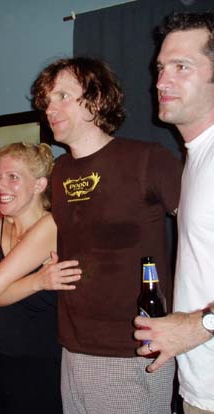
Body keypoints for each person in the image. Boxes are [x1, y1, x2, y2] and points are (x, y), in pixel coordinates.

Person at [29, 57, 183, 413]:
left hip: (131, 351)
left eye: (62, 96)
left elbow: (202, 232)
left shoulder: (147, 159)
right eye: (47, 100)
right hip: (72, 348)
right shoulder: (59, 171)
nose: (50, 108)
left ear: (97, 100)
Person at [133, 12, 214, 413]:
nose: (161, 82)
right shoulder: (195, 158)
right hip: (200, 388)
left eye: (182, 67)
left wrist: (200, 325)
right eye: (161, 68)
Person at [0, 142, 76, 414]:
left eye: (13, 177)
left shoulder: (51, 224)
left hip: (40, 360)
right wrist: (38, 281)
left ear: (40, 184)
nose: (0, 186)